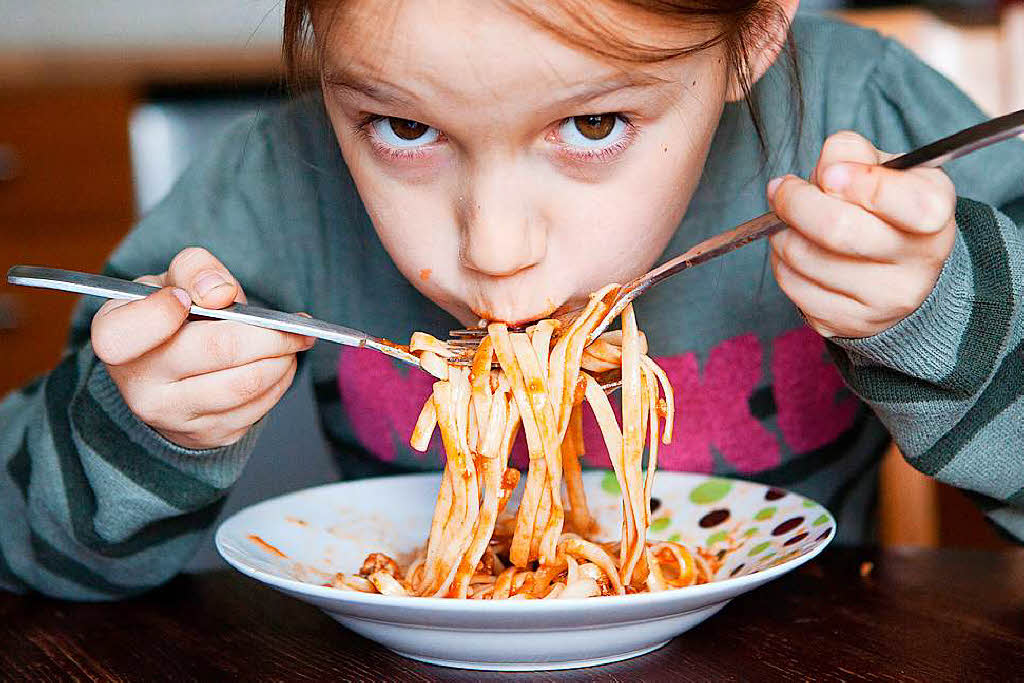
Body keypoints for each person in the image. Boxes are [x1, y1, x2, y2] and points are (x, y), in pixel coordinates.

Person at [1, 0, 1021, 600]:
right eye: (401, 128)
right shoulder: (273, 186)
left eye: (591, 127)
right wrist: (141, 431)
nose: (494, 252)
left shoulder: (863, 121)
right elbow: (21, 544)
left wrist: (942, 315)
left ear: (753, 34)